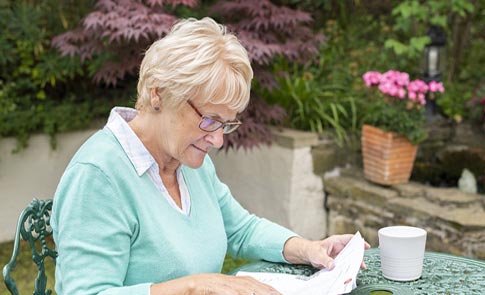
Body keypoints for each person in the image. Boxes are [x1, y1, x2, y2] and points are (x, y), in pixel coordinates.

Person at [51, 17, 369, 295]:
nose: (217, 139)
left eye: (226, 124)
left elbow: (239, 229)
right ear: (158, 93)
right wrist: (195, 287)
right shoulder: (98, 176)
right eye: (209, 120)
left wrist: (311, 249)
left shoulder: (188, 161)